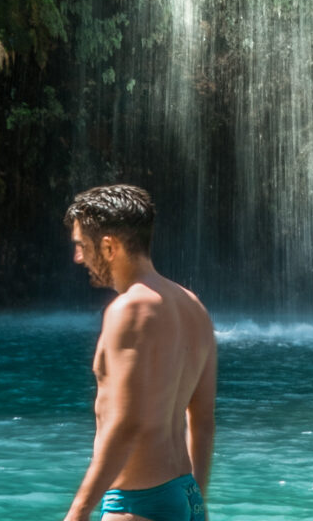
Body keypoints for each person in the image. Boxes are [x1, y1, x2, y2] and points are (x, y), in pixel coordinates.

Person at [62, 184, 217, 521]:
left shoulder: (128, 309)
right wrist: (197, 503)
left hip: (136, 503)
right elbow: (202, 421)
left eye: (82, 246)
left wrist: (77, 512)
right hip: (185, 494)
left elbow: (127, 423)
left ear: (109, 246)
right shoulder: (193, 307)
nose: (78, 258)